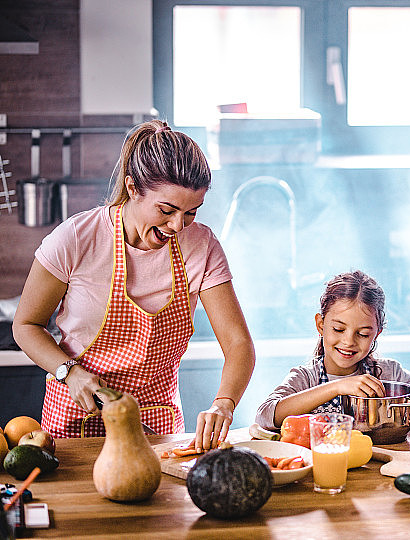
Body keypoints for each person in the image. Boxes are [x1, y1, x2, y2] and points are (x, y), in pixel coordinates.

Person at [12, 120, 255, 451]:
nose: (177, 225)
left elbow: (239, 344)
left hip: (158, 427)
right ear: (132, 187)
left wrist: (224, 402)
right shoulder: (76, 238)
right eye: (167, 210)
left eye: (191, 213)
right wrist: (69, 372)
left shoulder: (202, 246)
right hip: (76, 420)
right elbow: (26, 325)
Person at [255, 270, 410, 431]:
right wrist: (337, 387)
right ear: (320, 325)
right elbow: (264, 415)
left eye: (362, 334)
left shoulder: (389, 373)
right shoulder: (306, 378)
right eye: (338, 329)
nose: (348, 341)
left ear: (376, 334)